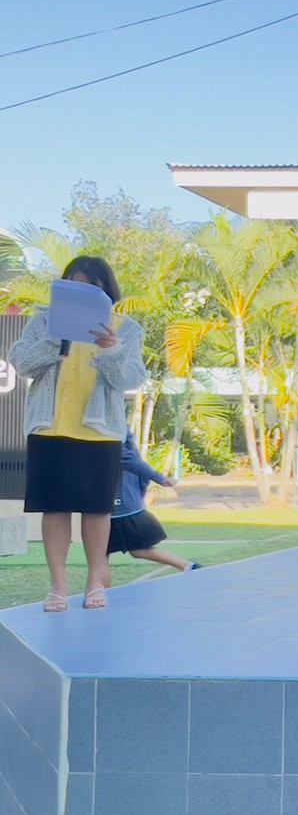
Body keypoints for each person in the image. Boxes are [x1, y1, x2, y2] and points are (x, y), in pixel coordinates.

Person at [11, 257, 148, 612]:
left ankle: (94, 582)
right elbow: (22, 363)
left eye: (91, 287)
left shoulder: (126, 329)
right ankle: (58, 585)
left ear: (106, 292)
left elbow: (130, 379)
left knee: (97, 510)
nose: (82, 292)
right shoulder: (45, 321)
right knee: (54, 508)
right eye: (74, 285)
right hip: (50, 428)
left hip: (100, 433)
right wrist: (55, 341)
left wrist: (112, 349)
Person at [108, 431, 200, 578]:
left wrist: (157, 478)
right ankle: (189, 566)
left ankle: (189, 566)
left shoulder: (113, 434)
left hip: (118, 507)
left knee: (100, 556)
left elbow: (129, 460)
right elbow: (137, 465)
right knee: (136, 550)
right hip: (125, 504)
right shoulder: (124, 434)